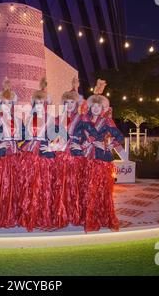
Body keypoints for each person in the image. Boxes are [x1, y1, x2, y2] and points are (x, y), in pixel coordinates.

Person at [79, 79, 123, 232]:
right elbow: (78, 137)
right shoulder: (84, 121)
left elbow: (120, 137)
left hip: (103, 161)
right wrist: (86, 143)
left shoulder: (107, 121)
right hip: (88, 160)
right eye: (94, 105)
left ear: (103, 107)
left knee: (103, 190)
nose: (96, 108)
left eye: (99, 106)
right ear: (90, 106)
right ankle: (90, 219)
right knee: (88, 190)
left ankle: (104, 217)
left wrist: (108, 145)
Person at [17, 78, 57, 232]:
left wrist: (53, 146)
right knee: (29, 187)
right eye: (38, 103)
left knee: (44, 187)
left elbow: (63, 138)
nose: (40, 106)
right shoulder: (29, 119)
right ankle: (29, 215)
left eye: (43, 103)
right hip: (29, 157)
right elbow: (23, 137)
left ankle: (43, 216)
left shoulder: (52, 120)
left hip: (44, 158)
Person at [53, 78, 86, 228]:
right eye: (66, 103)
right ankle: (61, 212)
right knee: (61, 183)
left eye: (72, 102)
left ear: (76, 103)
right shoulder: (59, 118)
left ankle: (75, 213)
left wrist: (82, 144)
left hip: (75, 154)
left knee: (75, 183)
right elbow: (51, 135)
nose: (69, 105)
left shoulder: (81, 118)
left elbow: (88, 135)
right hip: (61, 154)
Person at [0, 78, 20, 228]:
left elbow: (23, 136)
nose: (7, 106)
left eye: (10, 103)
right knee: (2, 185)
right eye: (5, 103)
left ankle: (12, 214)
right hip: (1, 157)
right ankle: (0, 214)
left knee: (14, 186)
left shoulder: (16, 119)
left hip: (14, 156)